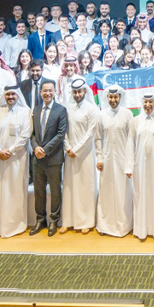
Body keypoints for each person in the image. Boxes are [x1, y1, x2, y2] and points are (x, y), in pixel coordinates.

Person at [0, 86, 31, 239]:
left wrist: (10, 151)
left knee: (15, 191)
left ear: (18, 95)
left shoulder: (25, 112)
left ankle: (14, 225)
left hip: (17, 159)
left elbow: (25, 135)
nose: (10, 97)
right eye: (8, 94)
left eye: (13, 94)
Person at [61, 77, 103, 235]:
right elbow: (63, 130)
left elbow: (90, 133)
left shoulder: (92, 110)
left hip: (85, 154)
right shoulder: (67, 108)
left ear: (85, 91)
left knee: (85, 187)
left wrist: (76, 149)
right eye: (75, 92)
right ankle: (68, 221)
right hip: (69, 153)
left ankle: (86, 221)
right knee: (70, 187)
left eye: (80, 91)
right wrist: (67, 147)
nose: (77, 94)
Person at [130, 94, 154, 241]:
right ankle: (141, 229)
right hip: (139, 166)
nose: (148, 105)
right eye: (145, 102)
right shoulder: (135, 121)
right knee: (140, 196)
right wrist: (130, 167)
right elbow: (130, 145)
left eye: (150, 102)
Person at [30, 81, 68, 237]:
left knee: (54, 191)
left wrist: (45, 150)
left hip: (53, 158)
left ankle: (54, 220)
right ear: (40, 93)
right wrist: (35, 147)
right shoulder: (36, 109)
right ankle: (40, 220)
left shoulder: (61, 110)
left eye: (50, 91)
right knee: (38, 191)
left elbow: (61, 134)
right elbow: (32, 134)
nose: (47, 93)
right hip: (37, 158)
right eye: (44, 91)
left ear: (54, 92)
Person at [97, 85, 134, 238]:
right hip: (106, 160)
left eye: (115, 97)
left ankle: (124, 226)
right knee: (106, 192)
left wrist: (129, 163)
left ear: (120, 97)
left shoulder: (127, 114)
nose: (113, 100)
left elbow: (131, 140)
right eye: (110, 97)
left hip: (123, 160)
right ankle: (105, 226)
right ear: (107, 98)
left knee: (122, 192)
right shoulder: (101, 115)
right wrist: (99, 158)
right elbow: (98, 138)